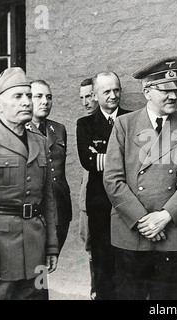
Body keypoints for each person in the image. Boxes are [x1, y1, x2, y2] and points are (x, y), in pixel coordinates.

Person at [103, 56, 177, 300]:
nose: (173, 96)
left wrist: (165, 217)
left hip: (170, 232)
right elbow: (112, 179)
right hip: (131, 232)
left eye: (176, 90)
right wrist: (143, 221)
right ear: (147, 91)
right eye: (164, 90)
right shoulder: (124, 125)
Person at [0, 67, 58, 300]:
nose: (27, 102)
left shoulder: (40, 142)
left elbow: (48, 200)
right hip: (0, 253)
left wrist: (51, 246)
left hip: (37, 247)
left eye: (29, 96)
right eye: (18, 96)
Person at [76, 71, 130, 300]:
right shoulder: (86, 124)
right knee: (102, 263)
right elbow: (88, 161)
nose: (113, 95)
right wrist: (126, 158)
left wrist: (105, 157)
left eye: (116, 90)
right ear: (95, 95)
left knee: (128, 262)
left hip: (129, 202)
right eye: (106, 91)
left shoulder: (133, 118)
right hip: (100, 204)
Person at [29, 80, 72, 253]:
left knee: (51, 260)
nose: (45, 101)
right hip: (36, 210)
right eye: (38, 96)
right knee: (35, 263)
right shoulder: (20, 131)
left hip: (60, 209)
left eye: (48, 97)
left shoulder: (58, 129)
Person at [78, 78, 98, 300]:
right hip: (88, 200)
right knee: (92, 250)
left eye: (89, 95)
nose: (86, 102)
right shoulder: (84, 125)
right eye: (82, 97)